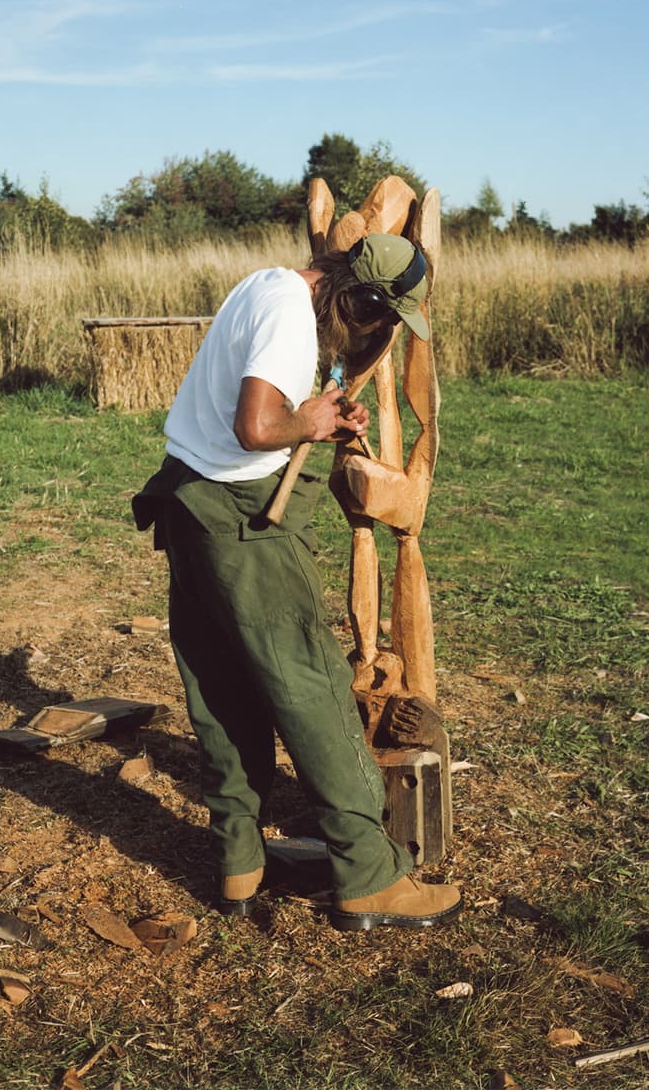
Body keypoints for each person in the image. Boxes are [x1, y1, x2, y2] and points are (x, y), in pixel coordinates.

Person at [132, 234, 462, 932]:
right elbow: (256, 426)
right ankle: (370, 878)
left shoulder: (266, 285)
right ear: (360, 296)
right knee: (313, 694)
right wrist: (304, 419)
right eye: (381, 316)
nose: (379, 331)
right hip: (245, 525)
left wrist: (322, 419)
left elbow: (252, 410)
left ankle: (241, 862)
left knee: (222, 690)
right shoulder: (290, 314)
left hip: (190, 505)